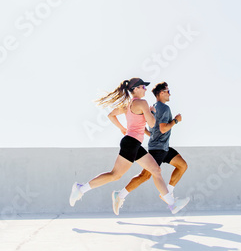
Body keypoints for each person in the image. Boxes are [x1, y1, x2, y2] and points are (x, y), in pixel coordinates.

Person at [69, 78, 190, 214]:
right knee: (115, 175)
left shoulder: (128, 104)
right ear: (136, 89)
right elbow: (151, 124)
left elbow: (111, 115)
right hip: (131, 143)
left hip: (134, 143)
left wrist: (122, 128)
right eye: (143, 87)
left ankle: (172, 205)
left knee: (156, 170)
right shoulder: (143, 103)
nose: (145, 89)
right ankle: (80, 189)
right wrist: (152, 113)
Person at [112, 82, 188, 215]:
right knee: (144, 176)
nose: (170, 93)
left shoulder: (153, 107)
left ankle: (167, 193)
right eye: (168, 91)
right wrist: (176, 121)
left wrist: (149, 134)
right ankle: (120, 195)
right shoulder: (164, 108)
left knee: (182, 165)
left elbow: (148, 127)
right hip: (157, 149)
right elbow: (163, 129)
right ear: (161, 93)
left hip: (163, 147)